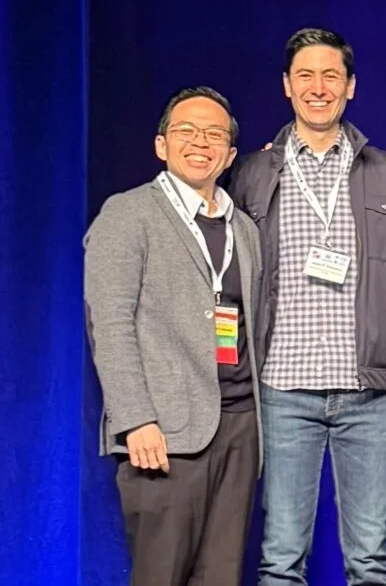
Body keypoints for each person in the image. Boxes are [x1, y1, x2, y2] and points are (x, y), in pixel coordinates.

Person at [226, 28, 386, 585]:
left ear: (350, 87)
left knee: (370, 561)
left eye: (331, 76)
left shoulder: (384, 170)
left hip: (367, 390)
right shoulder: (252, 173)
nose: (318, 87)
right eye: (305, 75)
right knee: (281, 560)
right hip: (283, 388)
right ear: (286, 85)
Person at [84, 87, 262, 585]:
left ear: (229, 155)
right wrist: (135, 418)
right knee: (161, 575)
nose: (199, 141)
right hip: (164, 433)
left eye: (214, 134)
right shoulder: (128, 213)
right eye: (186, 130)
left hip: (240, 426)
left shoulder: (242, 228)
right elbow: (110, 323)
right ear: (162, 145)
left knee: (222, 576)